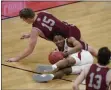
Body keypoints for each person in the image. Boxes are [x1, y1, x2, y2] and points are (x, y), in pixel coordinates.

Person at [7, 8, 97, 62]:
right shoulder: (44, 12)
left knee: (87, 49)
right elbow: (50, 25)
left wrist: (16, 58)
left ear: (28, 18)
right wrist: (29, 35)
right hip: (72, 28)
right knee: (86, 48)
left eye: (24, 19)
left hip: (68, 38)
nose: (24, 21)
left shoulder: (35, 30)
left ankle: (105, 59)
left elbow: (30, 49)